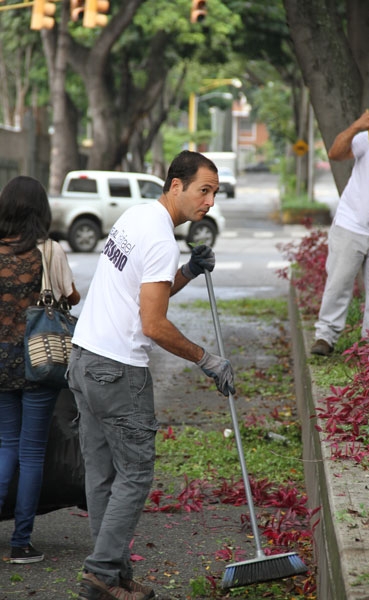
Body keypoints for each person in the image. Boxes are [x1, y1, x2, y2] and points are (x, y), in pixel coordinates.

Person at [67, 150, 235, 600]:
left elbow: (146, 294)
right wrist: (207, 359)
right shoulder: (160, 236)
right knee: (136, 474)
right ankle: (101, 574)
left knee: (103, 476)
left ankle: (113, 577)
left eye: (215, 193)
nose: (210, 202)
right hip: (118, 370)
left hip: (84, 358)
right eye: (204, 190)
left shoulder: (137, 216)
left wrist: (188, 271)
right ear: (176, 185)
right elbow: (153, 324)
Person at [0, 175, 80, 563]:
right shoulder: (49, 252)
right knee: (32, 453)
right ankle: (21, 544)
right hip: (39, 362)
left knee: (5, 447)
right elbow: (71, 295)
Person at [311, 110, 369, 356]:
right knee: (338, 283)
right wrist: (357, 126)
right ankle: (325, 337)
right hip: (351, 226)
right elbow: (335, 154)